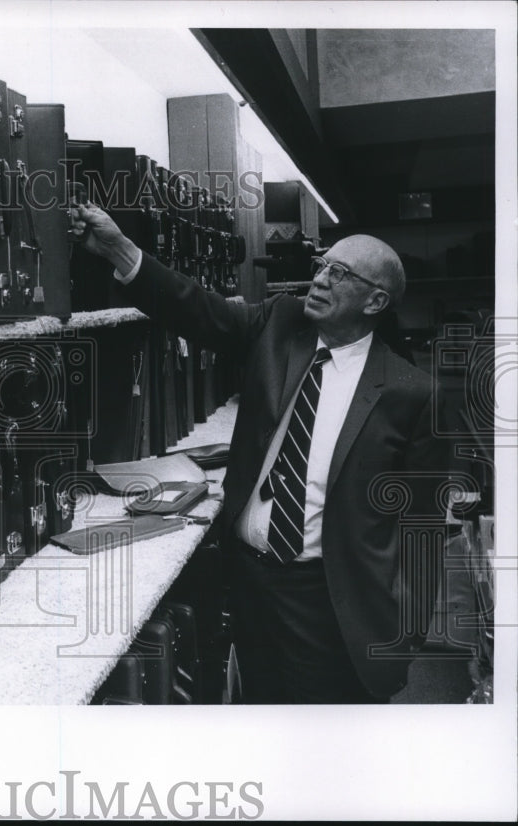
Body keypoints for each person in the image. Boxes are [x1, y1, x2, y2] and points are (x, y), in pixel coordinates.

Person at [70, 203, 449, 703]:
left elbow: (422, 529)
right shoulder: (280, 325)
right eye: (321, 266)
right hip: (248, 581)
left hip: (329, 600)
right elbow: (196, 307)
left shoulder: (411, 392)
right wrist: (119, 248)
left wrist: (405, 635)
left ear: (375, 301)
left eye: (339, 273)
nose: (319, 280)